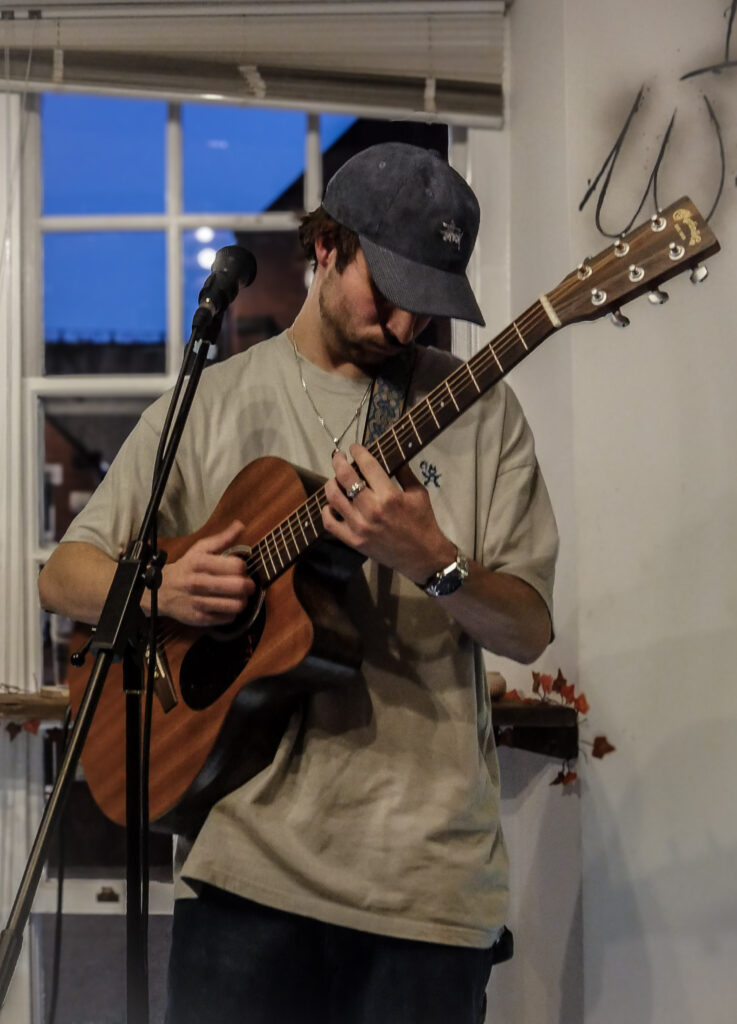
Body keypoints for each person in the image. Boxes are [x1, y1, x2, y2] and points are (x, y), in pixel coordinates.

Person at [38, 142, 558, 1024]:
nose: (405, 326)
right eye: (387, 292)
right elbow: (65, 575)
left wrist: (432, 560)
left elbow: (527, 630)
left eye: (428, 305)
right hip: (244, 876)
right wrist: (164, 590)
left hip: (426, 888)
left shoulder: (481, 412)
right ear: (325, 247)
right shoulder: (213, 401)